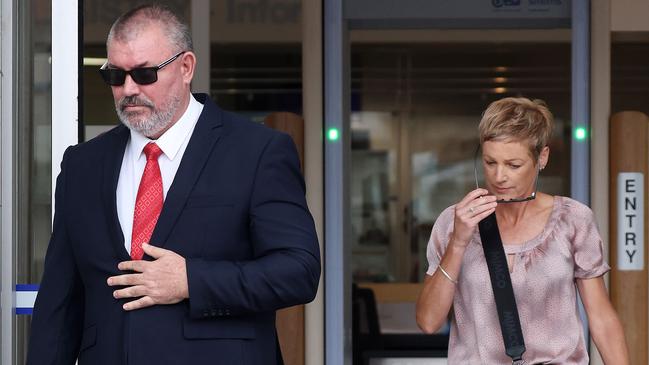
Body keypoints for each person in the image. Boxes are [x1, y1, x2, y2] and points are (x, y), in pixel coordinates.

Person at [27, 5, 320, 365]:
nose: (128, 89)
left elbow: (298, 271)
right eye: (116, 76)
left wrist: (192, 280)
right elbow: (60, 302)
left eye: (144, 73)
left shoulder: (257, 151)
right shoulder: (83, 165)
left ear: (186, 68)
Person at [415, 97, 629, 364]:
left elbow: (601, 319)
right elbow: (428, 321)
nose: (499, 176)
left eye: (513, 165)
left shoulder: (572, 220)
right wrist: (458, 243)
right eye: (490, 162)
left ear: (542, 158)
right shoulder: (454, 222)